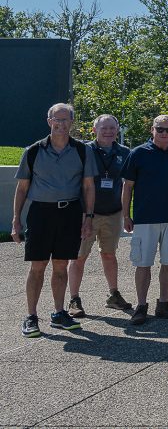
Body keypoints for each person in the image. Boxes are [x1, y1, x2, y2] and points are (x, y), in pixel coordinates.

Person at [13, 103, 97, 336]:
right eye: (56, 120)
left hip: (69, 212)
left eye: (65, 120)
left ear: (72, 122)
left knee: (61, 266)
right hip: (41, 213)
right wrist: (16, 221)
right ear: (49, 121)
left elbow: (88, 187)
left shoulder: (82, 150)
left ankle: (59, 313)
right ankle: (31, 316)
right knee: (37, 266)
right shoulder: (33, 151)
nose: (60, 124)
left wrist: (88, 218)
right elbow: (21, 189)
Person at [121, 115, 168, 325]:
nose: (164, 133)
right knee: (143, 263)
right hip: (145, 219)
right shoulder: (139, 153)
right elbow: (127, 187)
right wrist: (126, 215)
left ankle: (163, 303)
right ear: (152, 130)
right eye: (160, 129)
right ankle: (141, 305)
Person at [67, 114, 132, 318]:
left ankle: (113, 295)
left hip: (113, 213)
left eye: (112, 128)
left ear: (117, 130)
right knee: (78, 257)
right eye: (104, 128)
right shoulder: (83, 150)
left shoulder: (124, 152)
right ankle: (74, 299)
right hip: (86, 214)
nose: (108, 131)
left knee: (109, 255)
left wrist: (126, 213)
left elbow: (128, 184)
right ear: (94, 130)